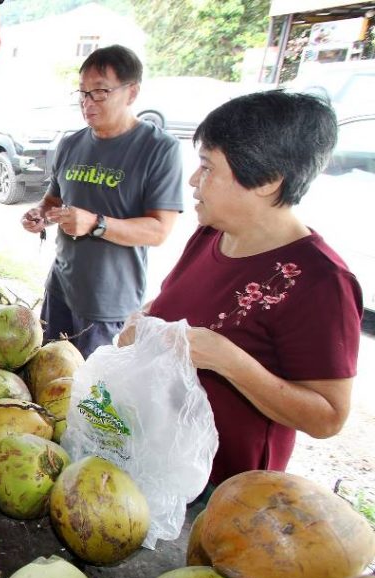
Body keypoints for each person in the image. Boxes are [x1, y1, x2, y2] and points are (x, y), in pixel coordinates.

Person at [120, 90, 361, 487]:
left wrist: (227, 360)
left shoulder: (321, 282)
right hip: (157, 461)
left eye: (208, 167)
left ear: (267, 180)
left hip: (226, 491)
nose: (194, 180)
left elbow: (328, 417)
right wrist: (143, 319)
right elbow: (175, 304)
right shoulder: (210, 235)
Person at [21, 45, 183, 357]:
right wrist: (40, 213)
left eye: (100, 92)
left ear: (131, 92)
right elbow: (54, 199)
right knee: (46, 379)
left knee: (91, 396)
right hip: (60, 289)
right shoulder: (71, 143)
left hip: (108, 305)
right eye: (82, 93)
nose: (87, 103)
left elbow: (159, 230)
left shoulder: (159, 149)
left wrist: (96, 224)